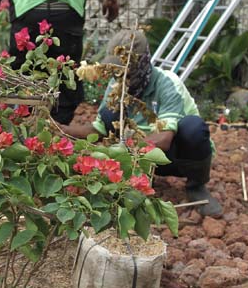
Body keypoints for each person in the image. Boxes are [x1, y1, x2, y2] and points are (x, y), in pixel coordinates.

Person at [58, 29, 223, 217]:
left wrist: (122, 151)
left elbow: (165, 138)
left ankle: (196, 185)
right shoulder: (116, 86)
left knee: (192, 128)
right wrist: (61, 129)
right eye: (116, 71)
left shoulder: (167, 84)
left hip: (176, 156)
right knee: (108, 113)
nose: (120, 77)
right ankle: (139, 181)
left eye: (126, 72)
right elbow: (99, 128)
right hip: (141, 158)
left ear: (142, 65)